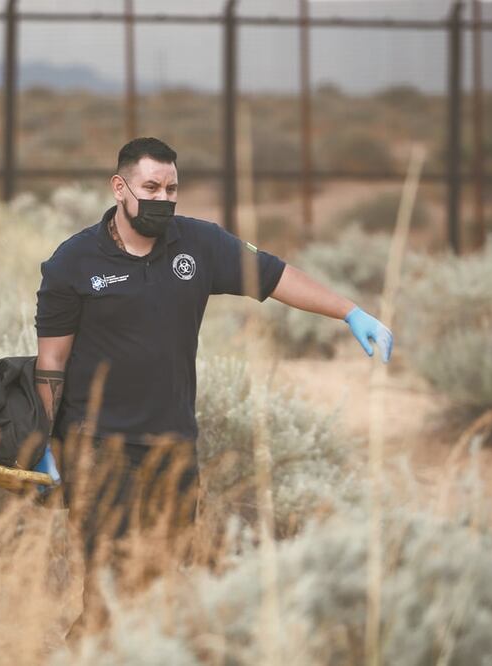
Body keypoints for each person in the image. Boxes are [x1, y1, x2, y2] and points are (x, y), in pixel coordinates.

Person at [34, 137, 393, 630]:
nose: (162, 198)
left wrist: (349, 311)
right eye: (150, 188)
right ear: (119, 187)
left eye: (171, 189)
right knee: (109, 590)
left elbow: (275, 277)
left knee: (162, 584)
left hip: (173, 444)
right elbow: (52, 361)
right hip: (97, 446)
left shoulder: (199, 244)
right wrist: (43, 440)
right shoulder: (73, 261)